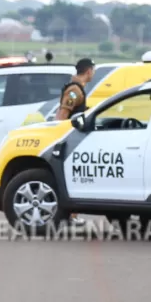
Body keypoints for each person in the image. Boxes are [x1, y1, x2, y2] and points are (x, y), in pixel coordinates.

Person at [55, 58, 95, 229]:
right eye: (93, 70)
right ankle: (69, 216)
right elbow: (63, 114)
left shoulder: (78, 89)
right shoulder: (74, 91)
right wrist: (60, 136)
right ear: (88, 71)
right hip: (70, 138)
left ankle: (72, 215)